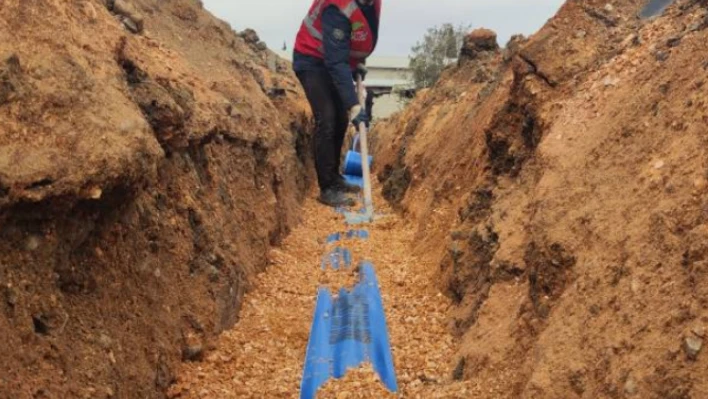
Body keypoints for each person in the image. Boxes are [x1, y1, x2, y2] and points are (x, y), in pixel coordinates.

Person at [293, 0, 381, 207]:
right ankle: (327, 188)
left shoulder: (370, 3)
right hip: (311, 60)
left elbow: (358, 32)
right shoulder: (337, 7)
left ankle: (334, 177)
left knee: (341, 119)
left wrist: (356, 62)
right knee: (328, 117)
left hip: (334, 59)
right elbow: (335, 61)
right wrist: (354, 104)